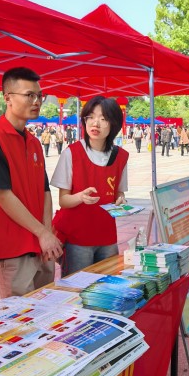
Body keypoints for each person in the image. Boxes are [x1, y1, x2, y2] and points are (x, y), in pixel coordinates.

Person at [0, 67, 62, 298]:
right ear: (8, 98)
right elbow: (2, 195)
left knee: (46, 305)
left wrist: (46, 231)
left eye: (39, 96)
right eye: (29, 95)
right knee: (19, 313)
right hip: (11, 246)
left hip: (40, 242)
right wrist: (42, 232)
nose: (36, 101)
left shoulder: (33, 142)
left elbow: (45, 190)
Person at [51, 96, 129, 276]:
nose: (96, 123)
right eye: (91, 117)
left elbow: (119, 193)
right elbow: (63, 200)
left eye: (103, 118)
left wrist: (121, 199)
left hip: (107, 236)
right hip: (78, 238)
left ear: (113, 124)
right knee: (77, 286)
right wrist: (80, 197)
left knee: (108, 285)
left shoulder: (120, 156)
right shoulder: (72, 153)